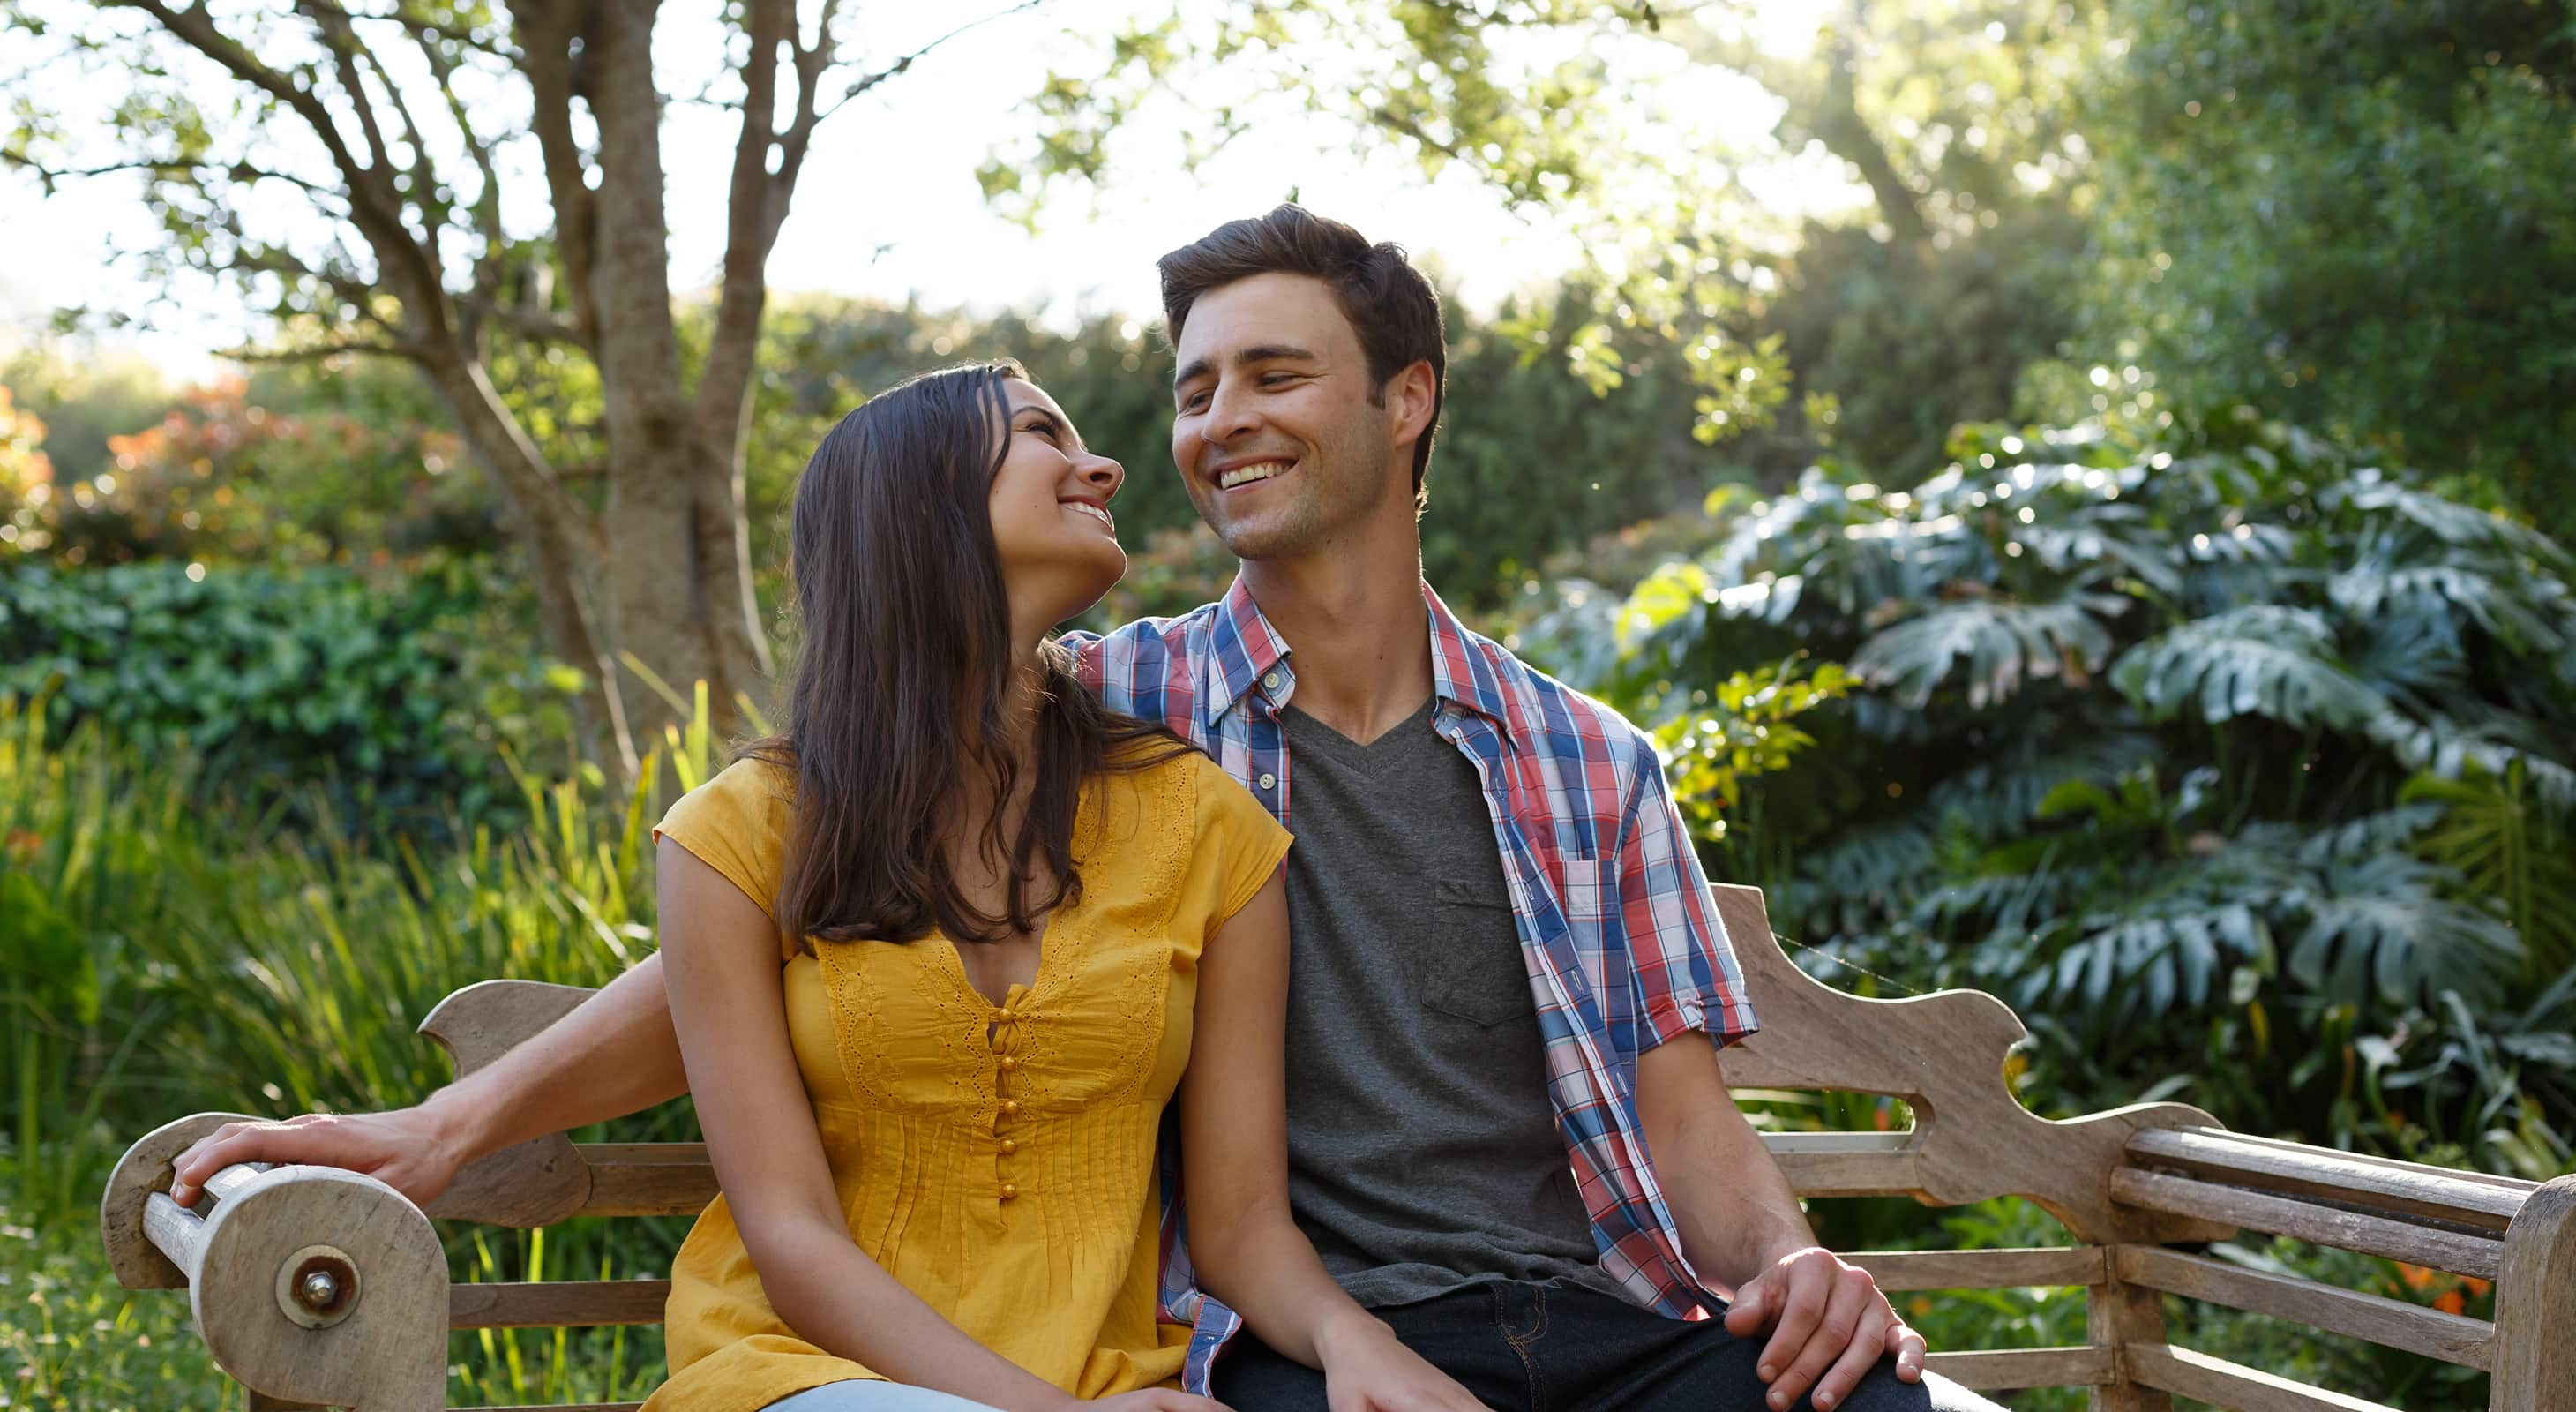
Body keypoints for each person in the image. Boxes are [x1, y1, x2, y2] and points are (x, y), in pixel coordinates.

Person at [175, 207, 2000, 1412]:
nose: (1210, 423)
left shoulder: (1585, 762)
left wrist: (1795, 1264)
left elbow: (1683, 1116)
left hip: (1589, 1309)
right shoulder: (1107, 709)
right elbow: (803, 905)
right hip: (1273, 1337)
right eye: (1192, 387)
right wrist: (452, 1121)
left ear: (1406, 398)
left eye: (1271, 373)